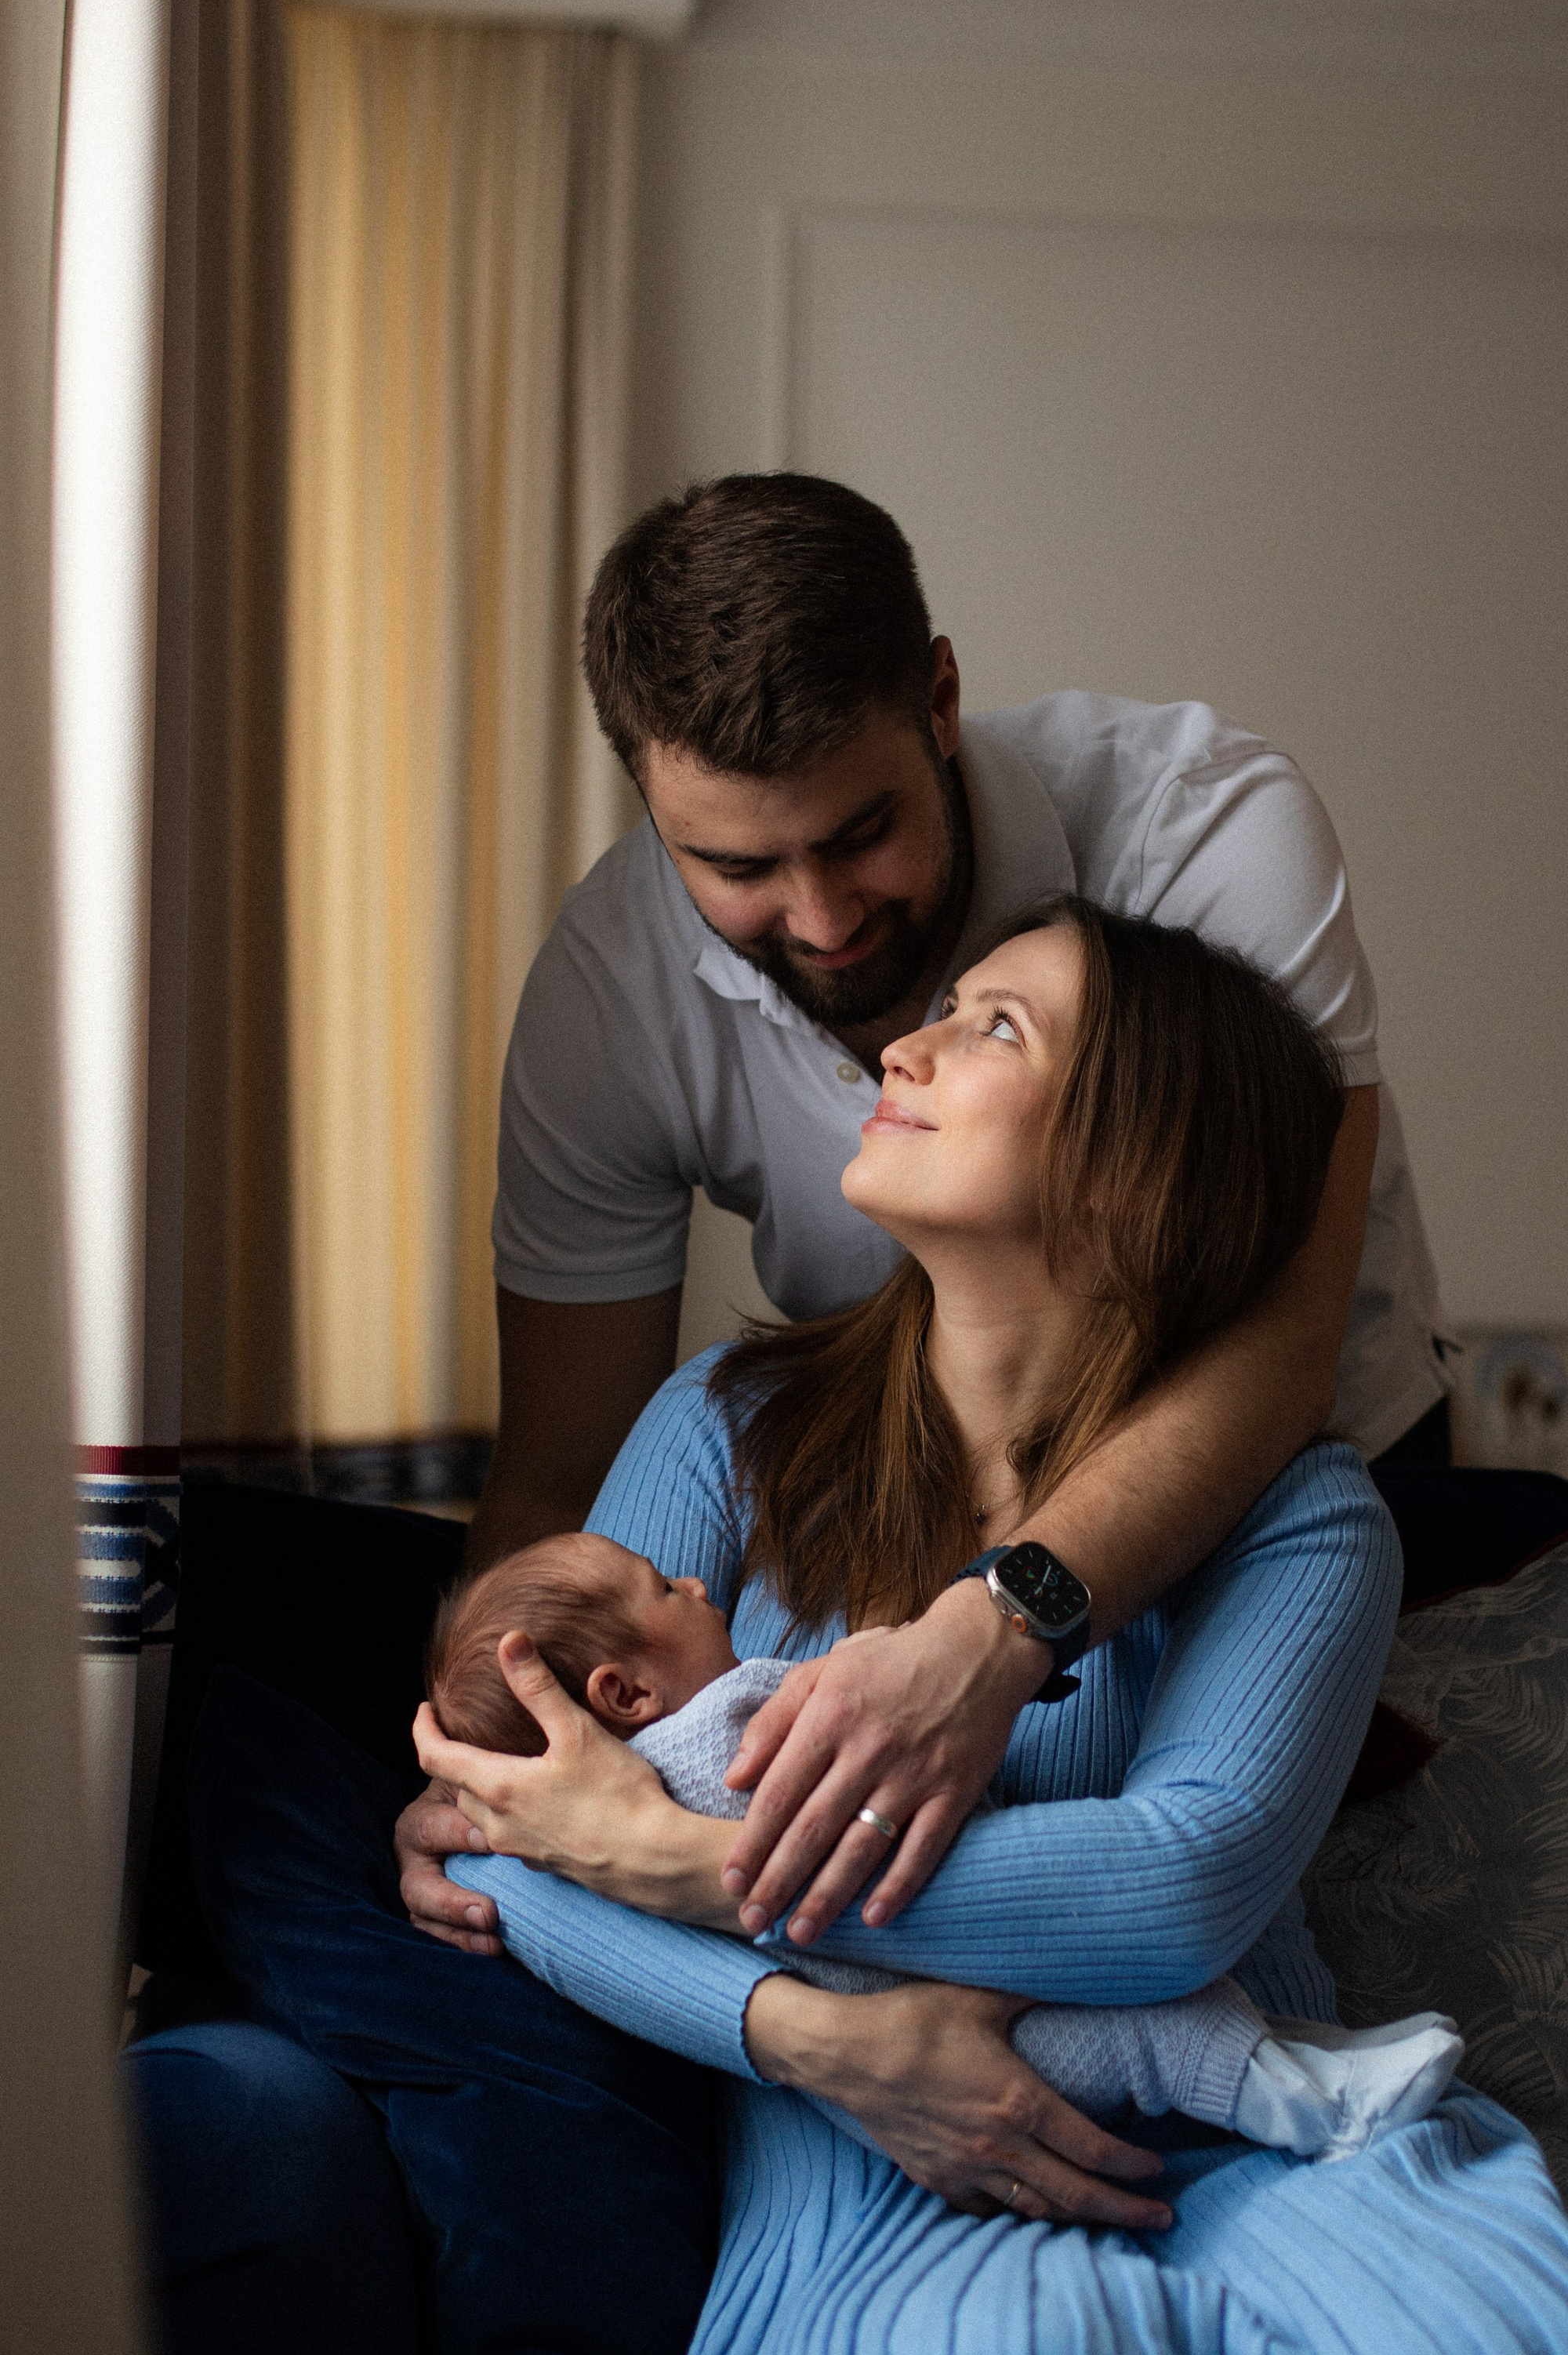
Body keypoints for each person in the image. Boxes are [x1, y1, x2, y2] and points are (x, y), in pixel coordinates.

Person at [418, 899, 1568, 2355]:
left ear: (1136, 1166)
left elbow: (1178, 1888)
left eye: (992, 1031)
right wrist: (814, 2039)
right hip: (889, 2177)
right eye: (935, 1018)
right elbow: (519, 1835)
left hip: (1265, 2136)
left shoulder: (1298, 1518)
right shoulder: (723, 1429)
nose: (901, 1049)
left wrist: (691, 1866)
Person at [397, 470, 1451, 1975]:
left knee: (1369, 1920)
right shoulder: (609, 1011)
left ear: (941, 697)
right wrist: (477, 1778)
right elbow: (559, 1477)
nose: (823, 921)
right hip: (871, 1488)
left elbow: (1275, 1355)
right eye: (739, 867)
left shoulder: (1206, 827)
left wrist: (990, 1633)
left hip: (1280, 1471)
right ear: (645, 801)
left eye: (861, 831)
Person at [426, 1526, 1464, 2159]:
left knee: (1180, 2018)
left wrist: (668, 1863)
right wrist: (820, 2043)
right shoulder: (724, 1720)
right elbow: (509, 1856)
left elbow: (1181, 1890)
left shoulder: (654, 1770)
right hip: (948, 2042)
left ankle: (1302, 2073)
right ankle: (1315, 2104)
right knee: (1162, 2030)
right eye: (665, 1588)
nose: (697, 1586)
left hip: (889, 2042)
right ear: (624, 1694)